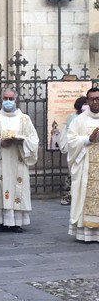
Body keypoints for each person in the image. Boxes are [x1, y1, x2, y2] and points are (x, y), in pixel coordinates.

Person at [0, 88, 39, 233]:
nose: (8, 101)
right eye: (5, 98)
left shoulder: (24, 119)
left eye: (10, 98)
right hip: (1, 160)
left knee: (17, 188)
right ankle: (1, 222)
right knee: (0, 188)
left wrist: (22, 141)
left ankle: (16, 222)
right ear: (1, 100)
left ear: (15, 100)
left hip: (18, 160)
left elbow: (34, 139)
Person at [67, 87, 99, 242]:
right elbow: (71, 142)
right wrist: (88, 139)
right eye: (92, 99)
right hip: (86, 166)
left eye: (98, 98)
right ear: (87, 101)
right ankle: (86, 233)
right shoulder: (79, 120)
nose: (95, 101)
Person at [59, 96, 87, 205]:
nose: (86, 106)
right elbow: (70, 133)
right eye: (84, 104)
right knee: (72, 173)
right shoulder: (73, 117)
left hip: (88, 147)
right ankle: (68, 196)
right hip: (76, 148)